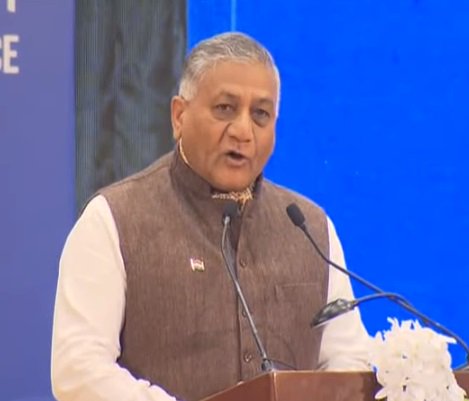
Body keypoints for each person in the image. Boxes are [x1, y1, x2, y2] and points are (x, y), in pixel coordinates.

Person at [51, 32, 370, 401]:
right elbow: (78, 368)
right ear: (179, 116)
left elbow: (348, 362)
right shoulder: (114, 220)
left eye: (260, 114)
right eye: (225, 108)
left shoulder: (309, 227)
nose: (243, 131)